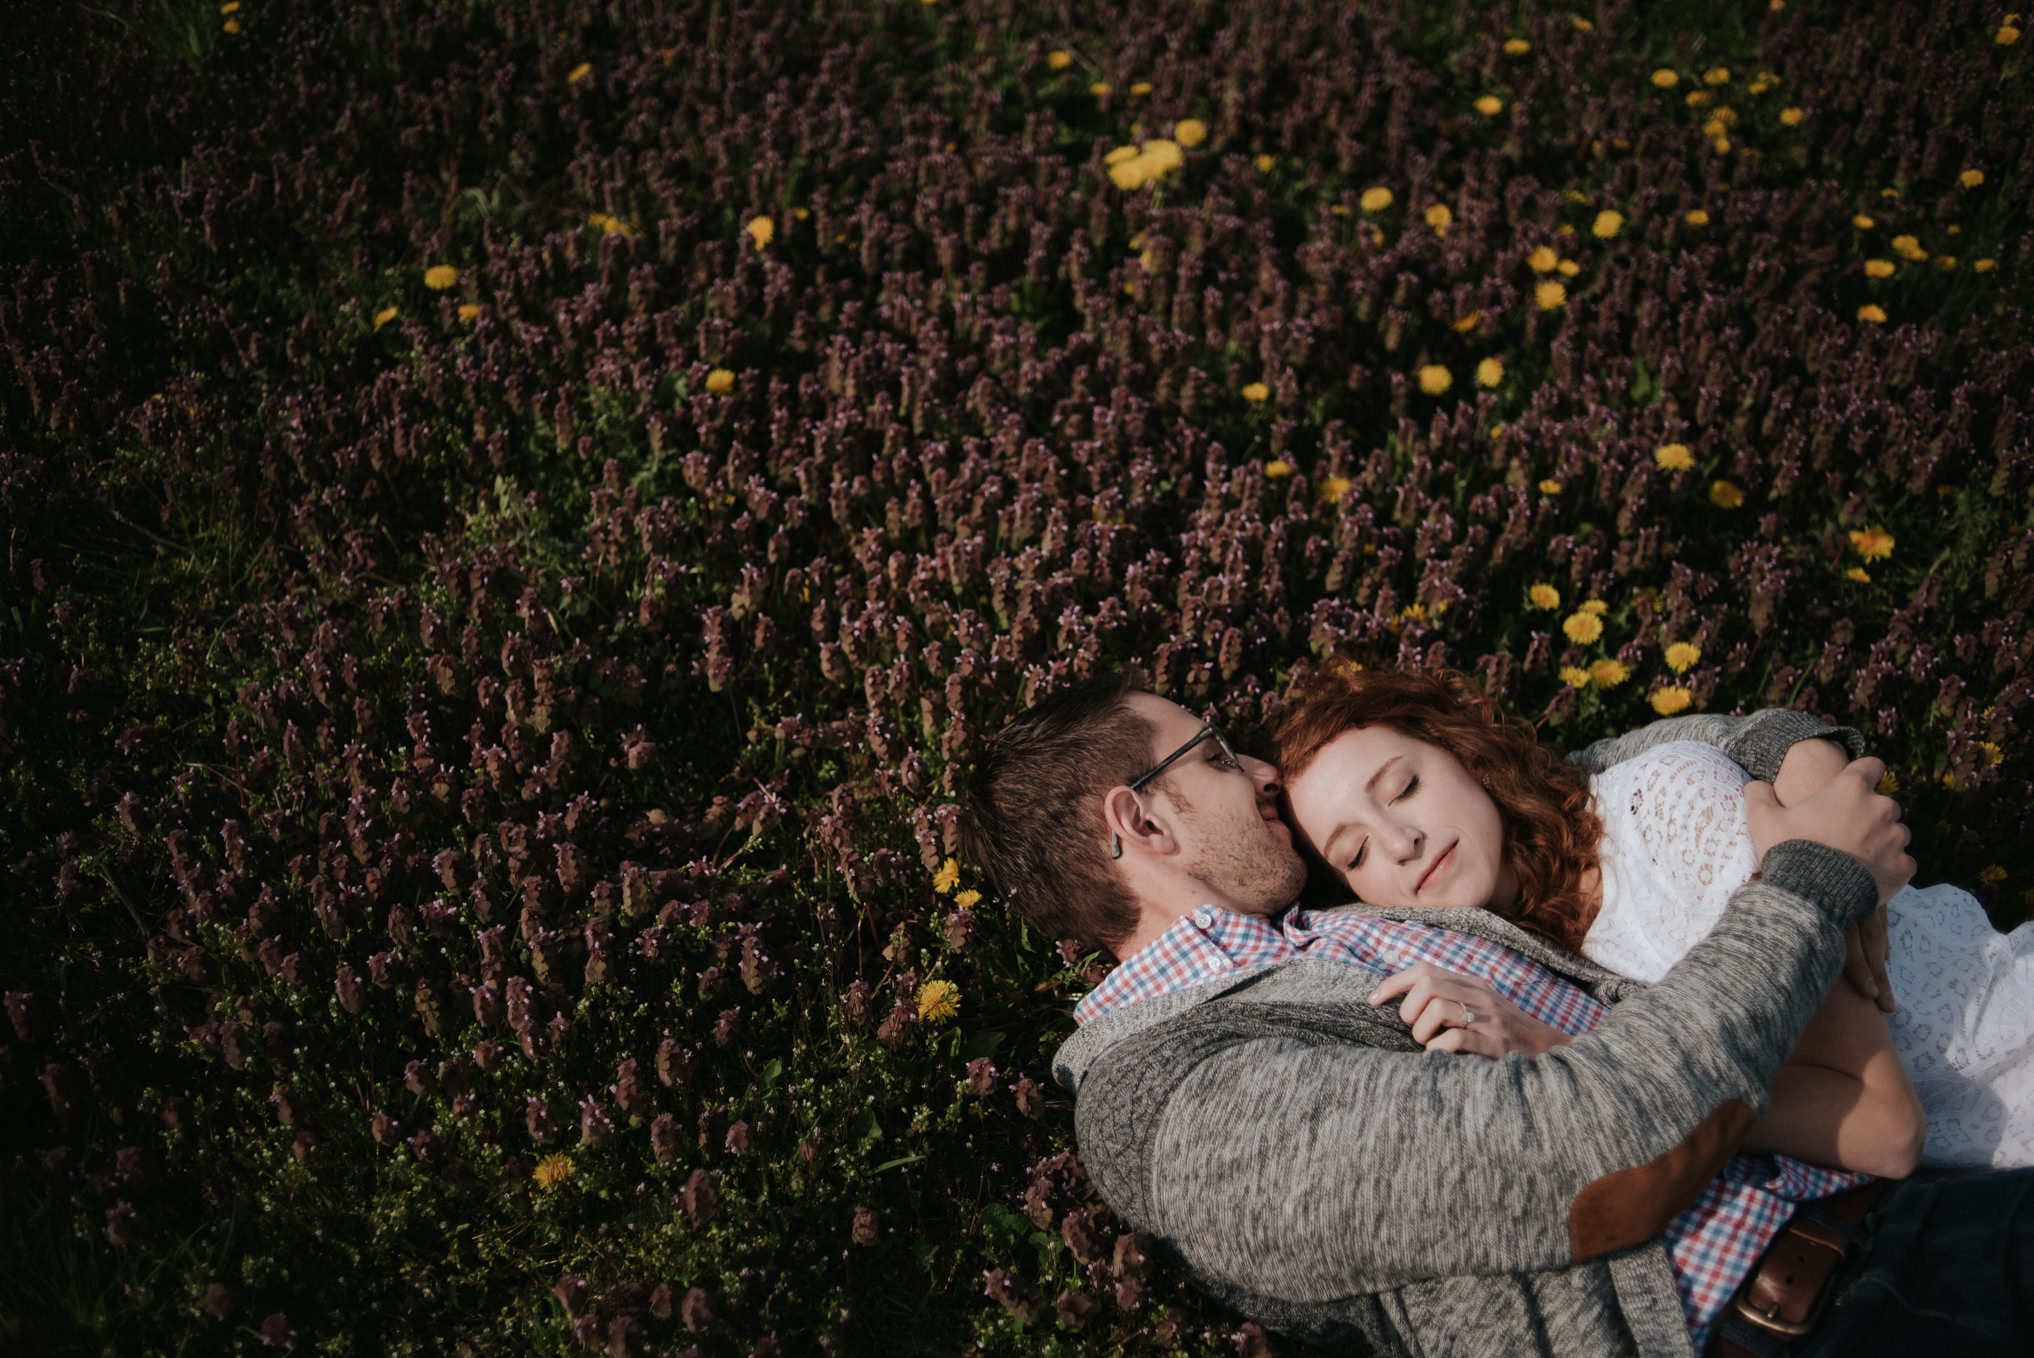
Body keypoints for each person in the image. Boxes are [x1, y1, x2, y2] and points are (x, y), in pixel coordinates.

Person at [958, 668, 2034, 1358]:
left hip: (1898, 1208)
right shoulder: (1173, 1104)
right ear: (1139, 816)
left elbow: (1550, 792)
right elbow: (1583, 1157)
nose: (1258, 772)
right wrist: (1808, 882)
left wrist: (1791, 755)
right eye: (1213, 753)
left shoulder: (1325, 926)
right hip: (1792, 1324)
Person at [1273, 665, 2031, 1172]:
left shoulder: (1663, 805)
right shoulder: (1532, 962)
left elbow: (1883, 1128)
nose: (1400, 844)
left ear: (1465, 752)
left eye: (1403, 786)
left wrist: (1590, 1063)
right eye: (1356, 851)